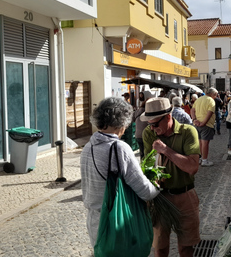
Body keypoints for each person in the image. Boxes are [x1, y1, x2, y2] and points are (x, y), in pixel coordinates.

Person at [80, 97, 160, 247]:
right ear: (122, 123)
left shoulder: (87, 147)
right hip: (116, 219)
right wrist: (156, 187)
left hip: (94, 220)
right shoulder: (119, 148)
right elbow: (144, 190)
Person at [141, 97, 201, 257]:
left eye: (155, 124)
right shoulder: (149, 133)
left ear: (168, 117)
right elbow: (149, 166)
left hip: (185, 194)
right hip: (160, 197)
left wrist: (166, 150)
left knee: (186, 247)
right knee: (160, 248)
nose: (152, 129)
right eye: (149, 124)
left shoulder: (188, 132)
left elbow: (192, 167)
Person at [190, 88, 218, 167]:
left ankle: (200, 159)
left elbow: (192, 110)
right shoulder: (211, 100)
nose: (215, 97)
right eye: (215, 95)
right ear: (213, 94)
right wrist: (203, 122)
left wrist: (194, 120)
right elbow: (210, 112)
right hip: (206, 124)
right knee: (205, 143)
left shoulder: (199, 99)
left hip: (197, 124)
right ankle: (204, 160)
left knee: (199, 142)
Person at [133, 90, 153, 158]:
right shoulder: (149, 112)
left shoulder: (138, 111)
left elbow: (132, 119)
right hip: (146, 134)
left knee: (142, 152)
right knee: (147, 153)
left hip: (138, 135)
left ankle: (142, 165)